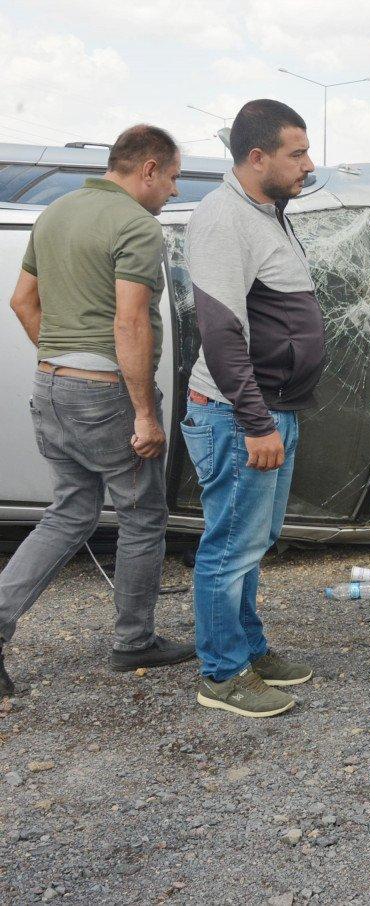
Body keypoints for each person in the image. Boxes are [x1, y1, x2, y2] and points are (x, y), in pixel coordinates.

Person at [0, 125, 194, 695]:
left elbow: (22, 302)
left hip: (51, 386)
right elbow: (129, 321)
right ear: (148, 169)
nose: (175, 191)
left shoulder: (54, 213)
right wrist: (144, 414)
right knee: (142, 517)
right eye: (173, 177)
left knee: (71, 512)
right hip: (106, 398)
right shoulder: (136, 225)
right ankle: (134, 641)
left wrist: (62, 361)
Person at [183, 100, 326, 718]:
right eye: (298, 153)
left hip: (270, 411)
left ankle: (248, 647)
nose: (309, 164)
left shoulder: (266, 213)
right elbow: (220, 333)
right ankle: (222, 674)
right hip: (240, 415)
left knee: (253, 540)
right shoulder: (223, 217)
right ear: (257, 156)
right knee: (229, 547)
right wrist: (256, 421)